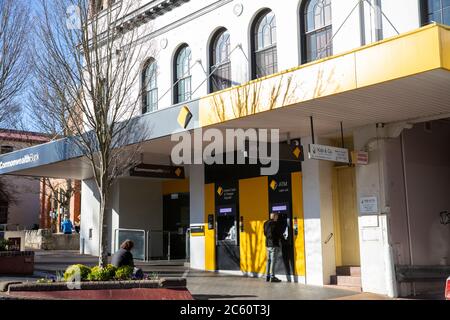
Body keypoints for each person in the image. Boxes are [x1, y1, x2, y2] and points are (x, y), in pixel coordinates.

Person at [263, 213, 282, 282]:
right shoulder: (275, 224)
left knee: (268, 260)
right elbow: (279, 234)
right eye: (277, 217)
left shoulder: (265, 223)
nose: (277, 218)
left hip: (268, 244)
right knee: (273, 261)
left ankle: (267, 276)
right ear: (274, 217)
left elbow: (265, 233)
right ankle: (272, 277)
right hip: (274, 244)